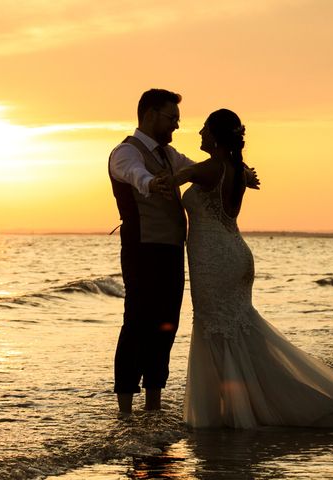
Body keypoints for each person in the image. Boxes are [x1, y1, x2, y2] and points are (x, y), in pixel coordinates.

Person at [173, 109, 333, 428]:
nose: (200, 134)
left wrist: (148, 180)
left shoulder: (211, 168)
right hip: (231, 255)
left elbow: (177, 176)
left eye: (205, 129)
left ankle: (236, 415)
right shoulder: (233, 167)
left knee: (219, 329)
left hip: (216, 261)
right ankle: (239, 407)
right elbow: (221, 171)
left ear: (218, 136)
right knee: (234, 332)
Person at [108, 90, 258, 414]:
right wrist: (151, 183)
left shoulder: (169, 154)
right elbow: (136, 175)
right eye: (171, 118)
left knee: (167, 324)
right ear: (150, 115)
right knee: (137, 321)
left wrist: (239, 172)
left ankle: (153, 406)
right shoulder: (125, 153)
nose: (177, 125)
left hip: (173, 250)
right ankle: (124, 410)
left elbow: (205, 168)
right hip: (143, 248)